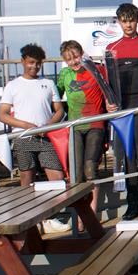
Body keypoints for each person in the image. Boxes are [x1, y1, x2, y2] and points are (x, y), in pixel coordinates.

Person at [0, 44, 68, 233]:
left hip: (46, 138)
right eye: (30, 63)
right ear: (23, 62)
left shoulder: (48, 83)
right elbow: (3, 115)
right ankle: (29, 221)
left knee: (56, 176)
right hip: (23, 138)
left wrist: (48, 126)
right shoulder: (13, 85)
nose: (34, 67)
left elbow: (59, 110)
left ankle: (52, 216)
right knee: (26, 180)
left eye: (38, 64)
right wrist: (26, 126)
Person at [106, 3, 138, 219]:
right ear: (119, 22)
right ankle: (132, 202)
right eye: (124, 21)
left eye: (132, 20)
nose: (128, 25)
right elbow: (107, 81)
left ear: (137, 20)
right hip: (122, 106)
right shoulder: (111, 48)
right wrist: (109, 102)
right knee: (127, 153)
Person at [57, 40, 118, 218]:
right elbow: (54, 96)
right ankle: (80, 217)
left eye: (76, 56)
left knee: (90, 169)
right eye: (69, 59)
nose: (74, 62)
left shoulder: (95, 70)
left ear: (82, 53)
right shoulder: (64, 74)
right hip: (75, 126)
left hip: (95, 124)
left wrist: (109, 102)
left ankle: (92, 215)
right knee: (75, 174)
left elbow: (109, 91)